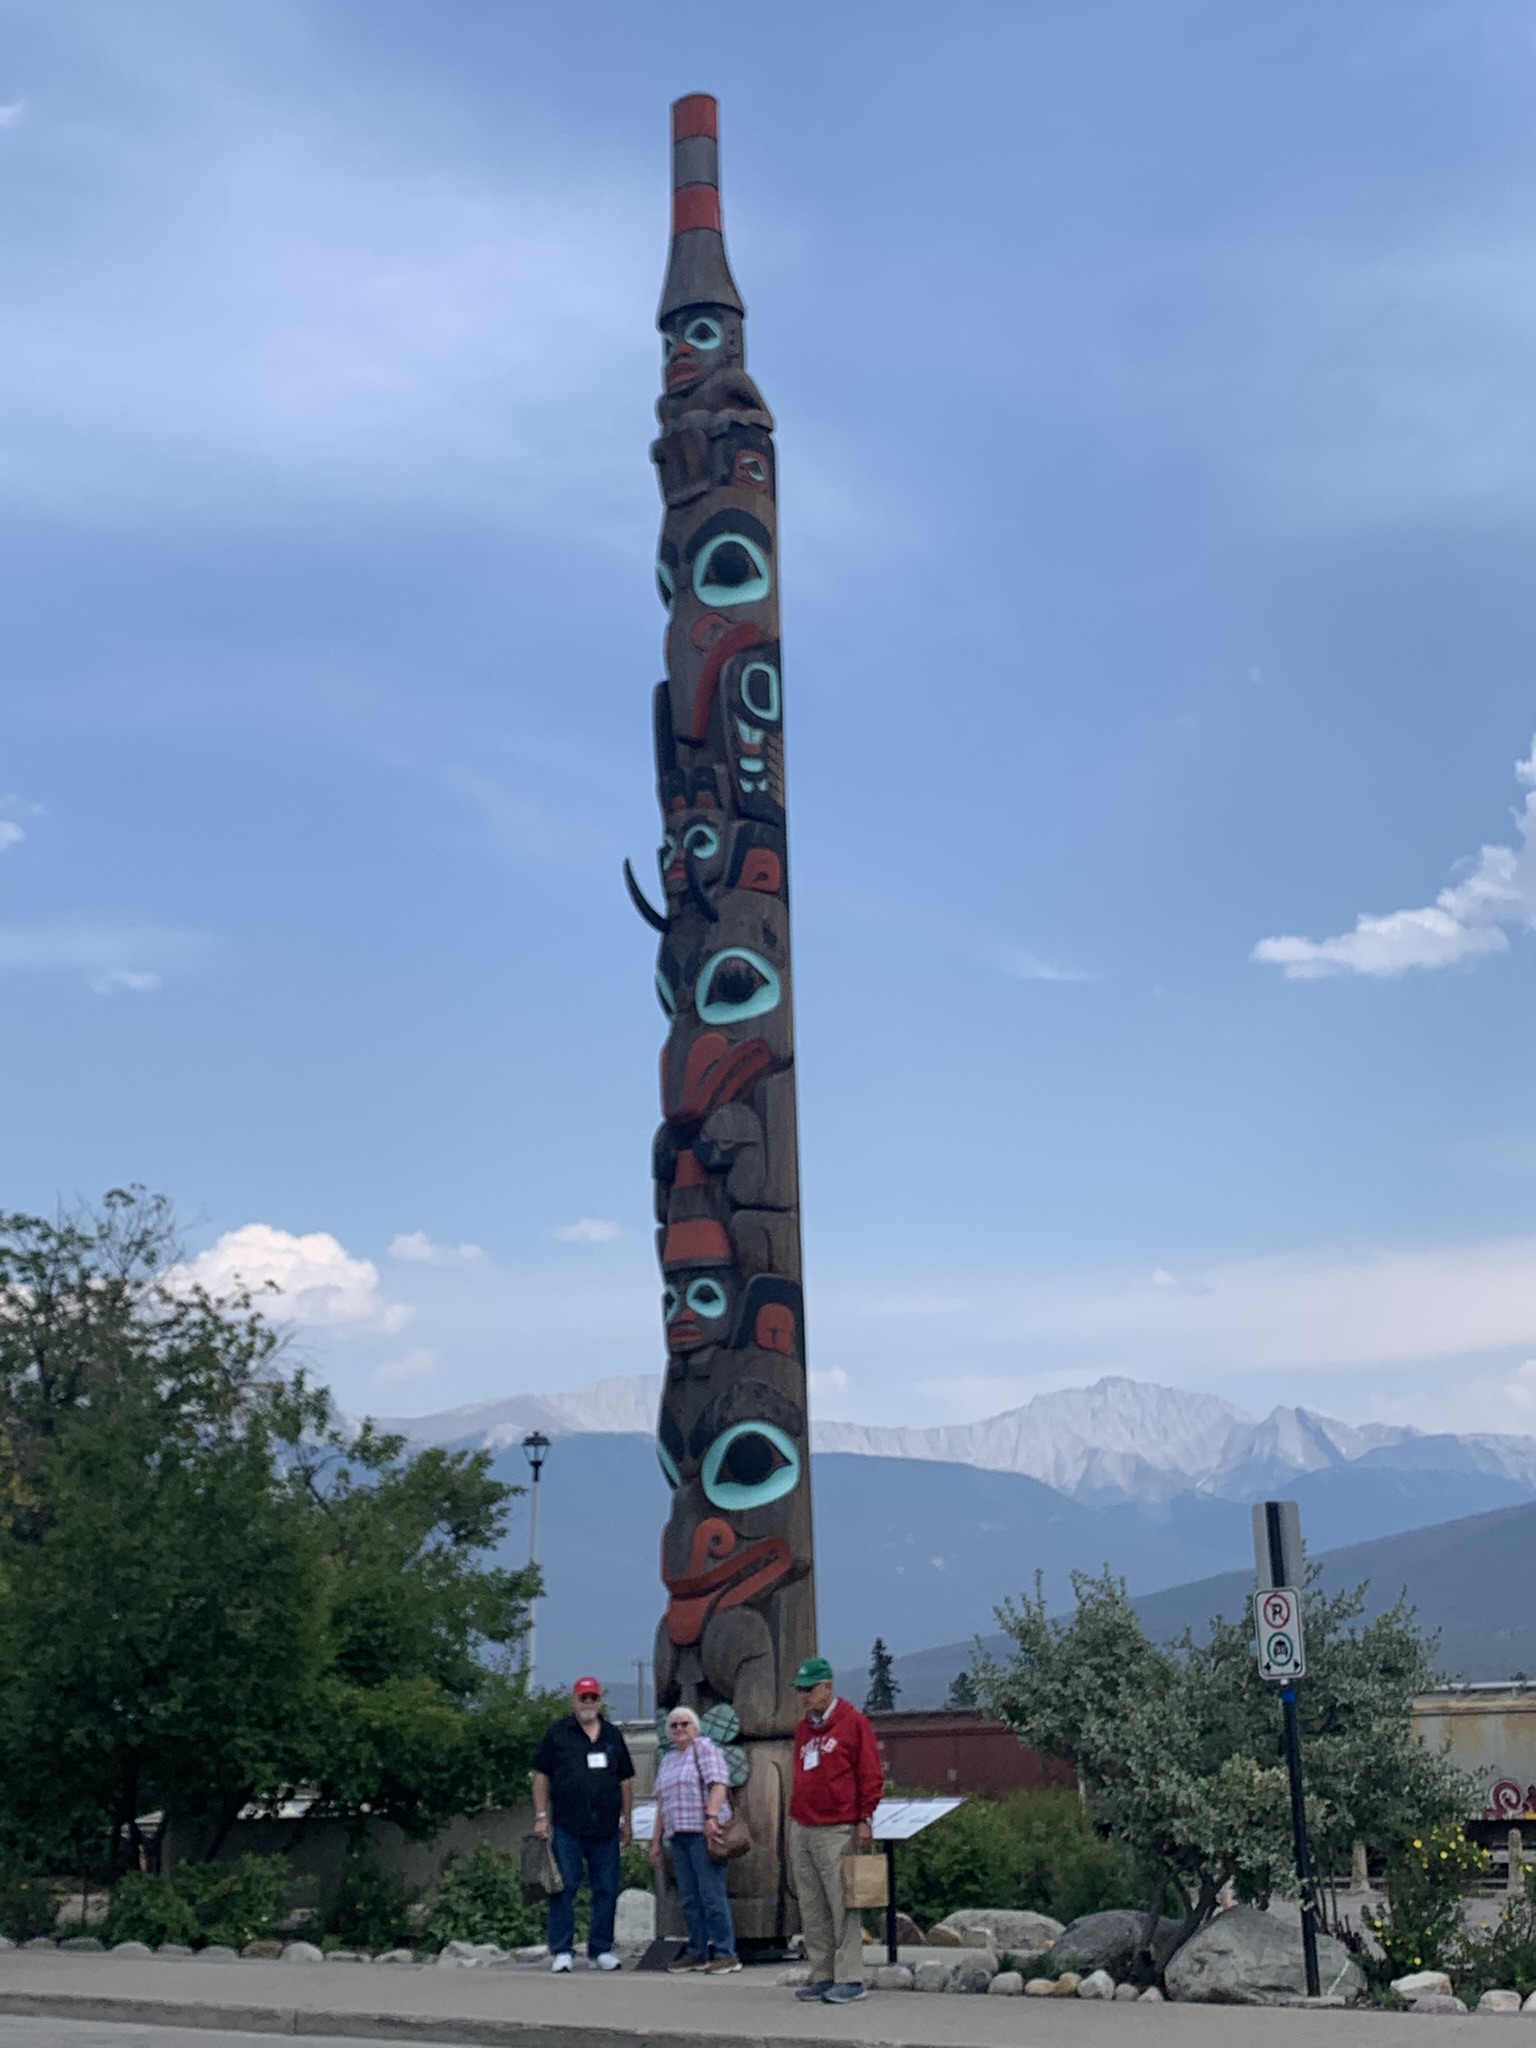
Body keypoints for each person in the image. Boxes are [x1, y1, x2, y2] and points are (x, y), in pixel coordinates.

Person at [787, 1655, 884, 2004]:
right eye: (800, 1690)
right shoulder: (804, 1729)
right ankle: (822, 1972)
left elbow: (870, 1773)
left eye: (809, 1689)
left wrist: (864, 1818)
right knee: (812, 1904)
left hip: (837, 1826)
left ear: (827, 1687)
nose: (804, 1696)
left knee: (842, 1904)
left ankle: (850, 1977)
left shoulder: (853, 1723)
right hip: (803, 1824)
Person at [532, 1676, 635, 1974]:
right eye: (583, 1698)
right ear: (574, 1701)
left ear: (600, 1701)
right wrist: (541, 1816)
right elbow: (541, 1775)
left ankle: (600, 1949)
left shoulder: (612, 1735)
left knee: (606, 1889)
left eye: (593, 1697)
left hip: (606, 1828)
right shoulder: (558, 1733)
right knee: (564, 1887)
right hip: (568, 1827)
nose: (588, 1703)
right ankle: (562, 1949)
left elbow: (626, 1780)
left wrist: (627, 1820)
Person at [650, 1704, 741, 1974]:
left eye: (684, 1724)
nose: (679, 1729)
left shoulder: (705, 1749)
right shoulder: (668, 1759)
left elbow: (719, 1784)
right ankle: (697, 1949)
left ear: (695, 1727)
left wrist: (711, 1817)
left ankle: (725, 1952)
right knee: (689, 1897)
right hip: (678, 1835)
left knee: (712, 1895)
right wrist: (655, 1841)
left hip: (703, 1833)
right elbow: (662, 1804)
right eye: (674, 1725)